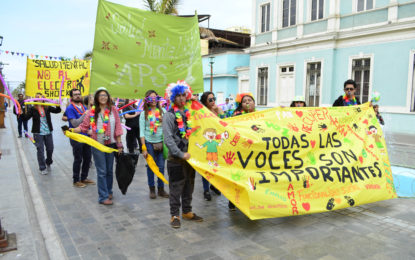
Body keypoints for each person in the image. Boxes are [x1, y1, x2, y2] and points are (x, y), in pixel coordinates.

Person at [70, 87, 123, 205]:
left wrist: (119, 144)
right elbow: (83, 127)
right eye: (100, 95)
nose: (103, 97)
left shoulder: (113, 110)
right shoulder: (91, 112)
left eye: (105, 95)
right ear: (97, 98)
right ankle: (103, 197)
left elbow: (118, 128)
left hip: (111, 145)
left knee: (109, 170)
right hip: (97, 145)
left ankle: (109, 191)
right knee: (102, 171)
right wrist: (71, 130)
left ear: (108, 97)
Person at [163, 81, 203, 228]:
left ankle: (187, 211)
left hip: (190, 158)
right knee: (176, 187)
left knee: (189, 185)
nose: (181, 98)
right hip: (176, 159)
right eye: (178, 95)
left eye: (183, 95)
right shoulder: (169, 115)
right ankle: (174, 215)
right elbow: (168, 139)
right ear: (173, 98)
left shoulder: (189, 113)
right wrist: (180, 154)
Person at [228, 92, 256, 210]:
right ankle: (233, 201)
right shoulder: (237, 115)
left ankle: (251, 199)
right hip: (240, 152)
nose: (248, 102)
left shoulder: (261, 114)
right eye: (245, 101)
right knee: (238, 177)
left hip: (254, 152)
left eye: (250, 100)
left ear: (254, 102)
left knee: (252, 177)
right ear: (241, 104)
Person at [22, 93, 62, 175]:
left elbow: (57, 111)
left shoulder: (47, 107)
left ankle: (48, 161)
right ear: (35, 99)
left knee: (50, 148)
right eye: (37, 97)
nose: (39, 98)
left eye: (41, 97)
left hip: (48, 132)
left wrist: (57, 105)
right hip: (38, 133)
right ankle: (42, 167)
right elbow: (25, 118)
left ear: (44, 99)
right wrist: (21, 112)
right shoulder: (32, 109)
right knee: (40, 150)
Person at [140, 90, 169, 199]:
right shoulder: (144, 114)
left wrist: (164, 121)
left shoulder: (163, 112)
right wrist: (144, 148)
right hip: (148, 142)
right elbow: (142, 132)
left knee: (161, 166)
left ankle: (161, 189)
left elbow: (169, 126)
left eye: (155, 97)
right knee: (151, 166)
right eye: (150, 98)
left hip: (161, 142)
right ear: (147, 100)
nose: (153, 100)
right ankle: (152, 189)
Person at [65, 89, 94, 188]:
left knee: (88, 158)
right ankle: (76, 180)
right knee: (78, 159)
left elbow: (88, 121)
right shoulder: (70, 108)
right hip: (76, 137)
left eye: (79, 94)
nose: (78, 96)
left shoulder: (83, 106)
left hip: (86, 136)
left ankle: (84, 177)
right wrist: (85, 114)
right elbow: (75, 123)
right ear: (71, 97)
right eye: (75, 94)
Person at [199, 91, 223, 201]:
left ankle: (213, 185)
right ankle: (206, 189)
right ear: (205, 102)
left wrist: (220, 113)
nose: (213, 101)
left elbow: (225, 123)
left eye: (214, 98)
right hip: (207, 143)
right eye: (210, 100)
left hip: (218, 143)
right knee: (207, 167)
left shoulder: (218, 110)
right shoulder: (202, 113)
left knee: (216, 166)